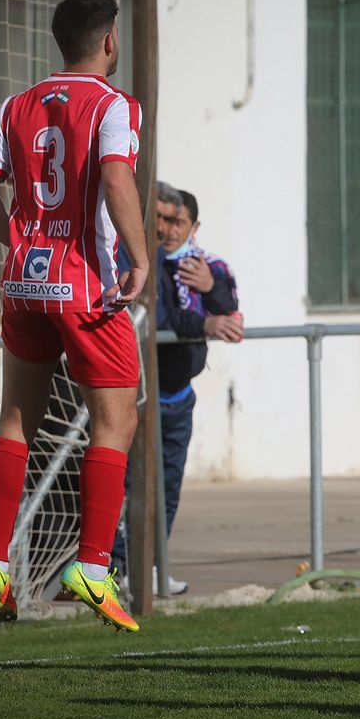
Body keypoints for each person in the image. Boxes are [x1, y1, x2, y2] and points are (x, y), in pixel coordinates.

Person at [0, 0, 149, 633]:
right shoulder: (111, 105)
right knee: (116, 423)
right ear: (109, 41)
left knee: (15, 421)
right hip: (86, 288)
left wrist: (18, 244)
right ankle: (92, 567)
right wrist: (140, 257)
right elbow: (117, 180)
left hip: (25, 284)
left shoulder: (18, 104)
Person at [110, 185, 242, 596]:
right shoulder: (136, 261)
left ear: (193, 225)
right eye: (161, 219)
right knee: (127, 488)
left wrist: (210, 291)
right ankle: (114, 569)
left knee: (167, 488)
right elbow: (160, 318)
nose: (167, 230)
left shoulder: (210, 266)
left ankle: (152, 567)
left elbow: (230, 315)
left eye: (176, 221)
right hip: (137, 393)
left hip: (179, 396)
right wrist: (202, 324)